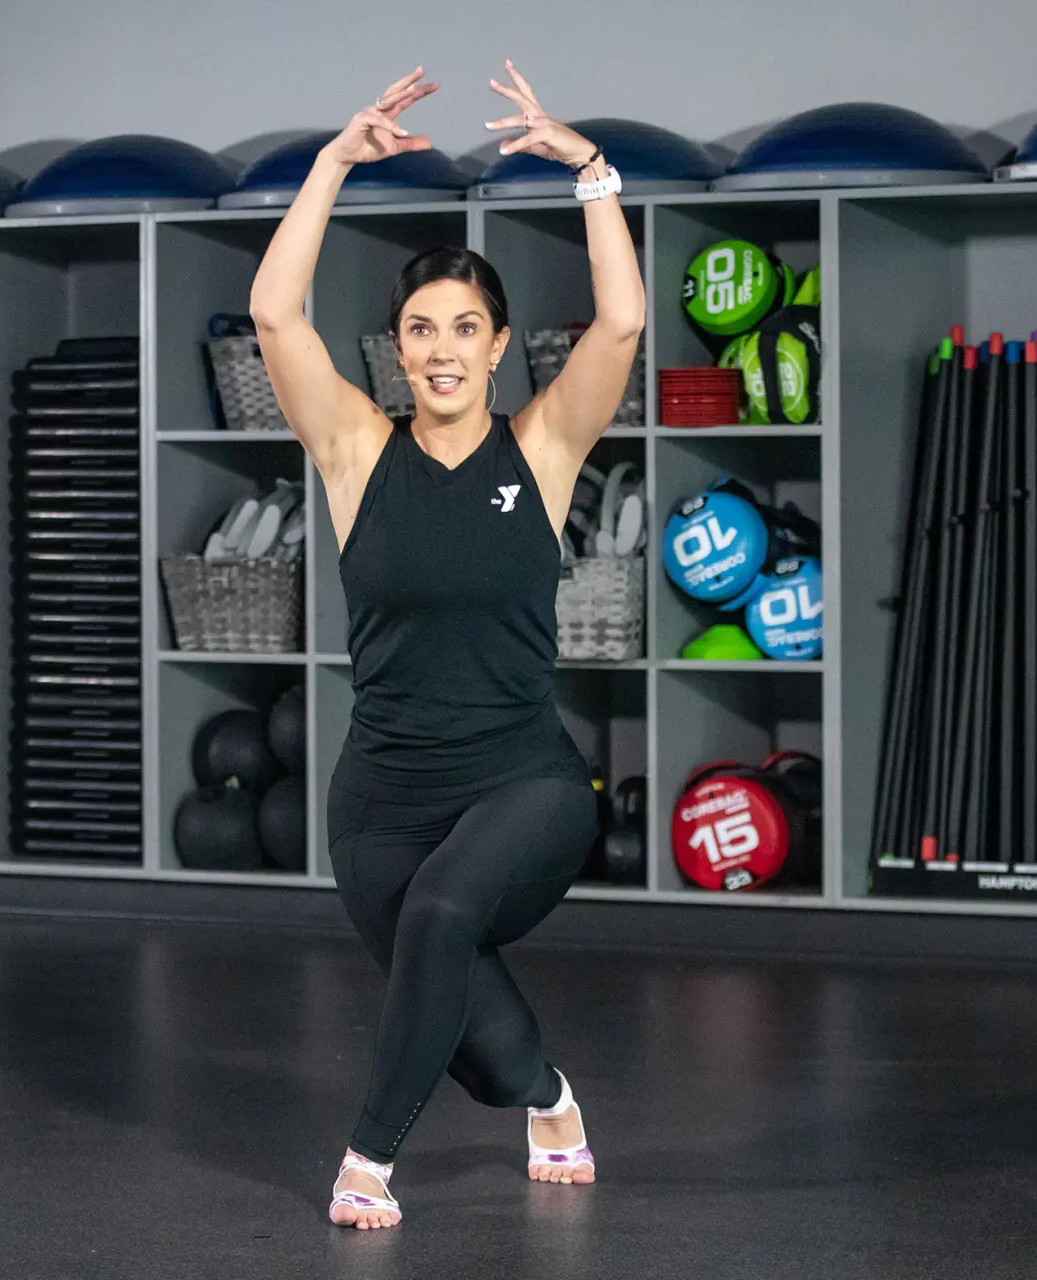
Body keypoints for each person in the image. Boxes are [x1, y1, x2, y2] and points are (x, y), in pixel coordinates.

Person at [249, 60, 645, 1230]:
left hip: (522, 778)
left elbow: (621, 320)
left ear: (498, 342)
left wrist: (590, 171)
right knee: (471, 1029)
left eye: (463, 328)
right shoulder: (354, 454)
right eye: (419, 328)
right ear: (395, 346)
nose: (440, 348)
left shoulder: (544, 448)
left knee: (438, 919)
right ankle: (550, 1097)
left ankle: (366, 1159)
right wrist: (329, 163)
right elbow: (276, 313)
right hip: (379, 797)